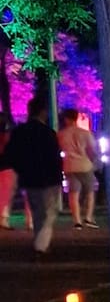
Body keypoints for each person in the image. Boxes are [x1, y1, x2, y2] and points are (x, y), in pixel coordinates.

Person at [5, 96, 63, 253]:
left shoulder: (19, 132)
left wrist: (20, 169)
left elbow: (11, 155)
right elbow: (54, 157)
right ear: (43, 112)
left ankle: (40, 242)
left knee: (37, 211)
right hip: (48, 178)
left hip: (28, 178)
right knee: (49, 212)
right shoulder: (48, 133)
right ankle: (41, 245)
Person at [58, 108, 101, 229]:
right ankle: (88, 217)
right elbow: (92, 149)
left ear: (66, 119)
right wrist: (94, 162)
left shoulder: (61, 134)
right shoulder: (85, 133)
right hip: (84, 164)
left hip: (69, 165)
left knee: (73, 193)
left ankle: (77, 220)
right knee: (90, 191)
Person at [0, 111, 34, 230]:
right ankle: (30, 220)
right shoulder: (10, 137)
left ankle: (4, 219)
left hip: (7, 167)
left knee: (6, 194)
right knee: (23, 193)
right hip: (11, 167)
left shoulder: (7, 137)